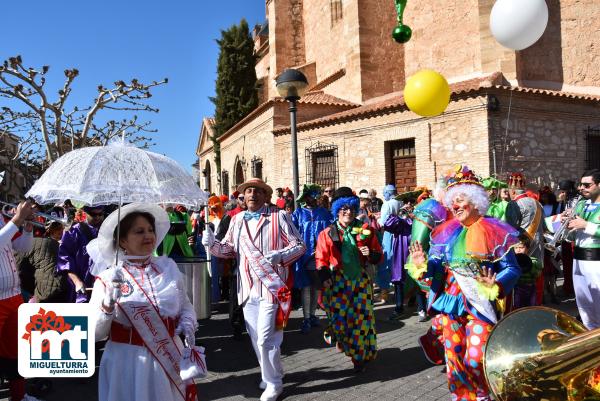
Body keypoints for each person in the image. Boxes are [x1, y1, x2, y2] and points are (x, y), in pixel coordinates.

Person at [407, 165, 521, 401]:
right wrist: (423, 264)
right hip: (450, 302)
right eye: (453, 202)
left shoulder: (494, 231)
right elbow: (436, 267)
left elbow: (512, 268)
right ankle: (461, 397)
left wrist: (496, 284)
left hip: (480, 304)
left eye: (461, 201)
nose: (455, 206)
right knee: (455, 359)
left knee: (476, 357)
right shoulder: (447, 233)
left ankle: (483, 394)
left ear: (476, 203)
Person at [203, 178, 305, 401]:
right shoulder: (237, 219)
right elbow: (229, 250)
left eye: (258, 191)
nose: (252, 195)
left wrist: (281, 256)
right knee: (256, 337)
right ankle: (271, 374)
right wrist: (210, 244)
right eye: (248, 191)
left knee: (266, 339)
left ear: (265, 195)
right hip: (247, 288)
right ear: (243, 196)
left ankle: (274, 383)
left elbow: (300, 246)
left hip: (272, 287)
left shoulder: (280, 216)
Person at [88, 203, 198, 401]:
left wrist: (188, 322)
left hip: (170, 355)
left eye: (150, 230)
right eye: (139, 231)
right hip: (128, 362)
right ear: (122, 240)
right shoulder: (108, 278)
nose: (148, 236)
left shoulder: (168, 268)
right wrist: (108, 304)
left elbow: (186, 306)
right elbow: (95, 334)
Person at [315, 187, 382, 373]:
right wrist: (324, 277)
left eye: (351, 208)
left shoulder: (365, 230)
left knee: (361, 321)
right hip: (337, 282)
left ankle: (358, 357)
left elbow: (378, 254)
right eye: (343, 208)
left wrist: (371, 255)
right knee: (340, 321)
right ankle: (336, 334)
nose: (348, 212)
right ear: (337, 210)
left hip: (360, 281)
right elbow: (320, 258)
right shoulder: (327, 233)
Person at [0, 200, 35, 401]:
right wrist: (17, 219)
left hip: (13, 295)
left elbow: (23, 247)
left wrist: (28, 228)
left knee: (15, 351)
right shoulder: (9, 220)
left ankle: (19, 396)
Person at [292, 184, 333, 334]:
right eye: (310, 196)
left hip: (321, 254)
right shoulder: (298, 214)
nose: (313, 199)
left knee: (316, 286)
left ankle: (313, 315)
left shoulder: (324, 213)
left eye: (314, 196)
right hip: (305, 255)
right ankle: (306, 318)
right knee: (306, 286)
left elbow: (330, 232)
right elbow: (292, 233)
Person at [568, 169, 600, 329]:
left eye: (587, 185)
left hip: (597, 262)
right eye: (581, 184)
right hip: (578, 261)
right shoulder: (581, 204)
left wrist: (586, 225)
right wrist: (565, 226)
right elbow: (572, 236)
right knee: (584, 308)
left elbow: (586, 227)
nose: (581, 188)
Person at [57, 205, 105, 303]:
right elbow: (64, 259)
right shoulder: (73, 231)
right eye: (94, 214)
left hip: (102, 283)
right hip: (80, 283)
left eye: (100, 214)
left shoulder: (107, 232)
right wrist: (77, 281)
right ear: (85, 212)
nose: (97, 217)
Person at [380, 185, 413, 321]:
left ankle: (392, 296)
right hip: (404, 240)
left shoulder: (387, 204)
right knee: (402, 271)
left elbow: (383, 222)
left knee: (393, 266)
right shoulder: (400, 207)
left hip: (394, 239)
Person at [16, 221, 68, 303]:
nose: (61, 236)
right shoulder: (49, 244)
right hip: (44, 293)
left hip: (40, 291)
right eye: (59, 234)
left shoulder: (38, 243)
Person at [556, 179, 578, 297]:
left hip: (573, 237)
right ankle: (568, 285)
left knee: (573, 263)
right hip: (566, 236)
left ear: (569, 190)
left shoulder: (577, 200)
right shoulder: (565, 201)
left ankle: (574, 287)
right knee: (567, 263)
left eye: (563, 191)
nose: (561, 194)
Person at [512, 235, 543, 309]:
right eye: (516, 248)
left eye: (521, 247)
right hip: (517, 288)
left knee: (531, 307)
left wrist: (530, 266)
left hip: (530, 288)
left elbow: (537, 275)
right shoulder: (513, 262)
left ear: (527, 249)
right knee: (517, 308)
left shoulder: (534, 261)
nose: (518, 250)